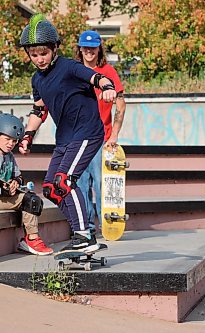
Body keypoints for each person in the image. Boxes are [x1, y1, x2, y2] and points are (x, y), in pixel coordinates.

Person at [17, 14, 117, 253]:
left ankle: (84, 235)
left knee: (65, 181)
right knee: (52, 187)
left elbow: (97, 77)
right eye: (34, 54)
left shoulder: (69, 67)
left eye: (44, 53)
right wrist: (28, 136)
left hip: (87, 133)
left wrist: (108, 88)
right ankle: (81, 233)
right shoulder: (37, 80)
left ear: (54, 48)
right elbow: (39, 109)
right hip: (65, 138)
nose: (40, 59)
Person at [0, 113, 53, 255]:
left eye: (15, 141)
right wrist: (1, 191)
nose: (11, 144)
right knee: (30, 201)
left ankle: (28, 240)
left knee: (35, 200)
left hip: (5, 197)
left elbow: (19, 176)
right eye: (7, 139)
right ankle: (32, 239)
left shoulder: (9, 156)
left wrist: (16, 183)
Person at [74, 30, 126, 232]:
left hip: (101, 138)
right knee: (80, 184)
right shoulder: (75, 71)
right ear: (80, 49)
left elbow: (121, 105)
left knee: (102, 184)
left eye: (92, 48)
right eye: (85, 47)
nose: (89, 51)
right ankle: (86, 227)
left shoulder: (108, 72)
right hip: (78, 139)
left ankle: (108, 225)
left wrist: (114, 135)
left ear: (98, 49)